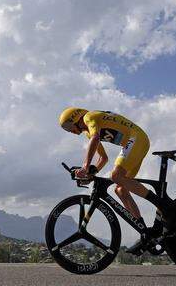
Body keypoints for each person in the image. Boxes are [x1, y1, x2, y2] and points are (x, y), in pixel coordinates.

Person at [59, 107, 162, 255]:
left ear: (76, 118)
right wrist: (91, 173)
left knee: (116, 176)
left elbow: (95, 139)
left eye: (69, 127)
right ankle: (145, 233)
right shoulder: (88, 132)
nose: (70, 132)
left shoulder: (89, 117)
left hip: (137, 139)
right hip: (133, 143)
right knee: (120, 189)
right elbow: (103, 158)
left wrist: (85, 166)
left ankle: (159, 202)